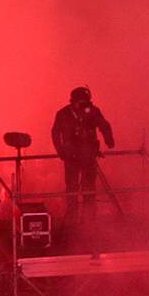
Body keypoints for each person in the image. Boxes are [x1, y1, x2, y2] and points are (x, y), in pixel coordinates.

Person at [51, 87, 115, 222]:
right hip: (71, 158)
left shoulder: (93, 111)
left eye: (86, 102)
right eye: (81, 102)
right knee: (72, 189)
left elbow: (104, 126)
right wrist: (61, 152)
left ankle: (89, 220)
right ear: (72, 102)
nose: (84, 106)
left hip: (89, 156)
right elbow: (55, 134)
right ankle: (72, 220)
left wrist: (109, 140)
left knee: (89, 189)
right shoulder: (63, 114)